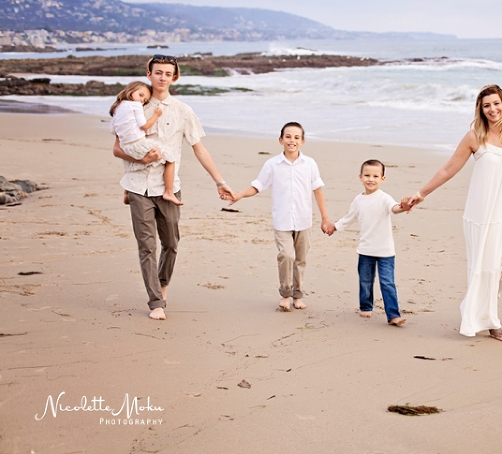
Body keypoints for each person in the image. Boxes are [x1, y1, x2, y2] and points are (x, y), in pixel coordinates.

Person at [403, 84, 502, 342]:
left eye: (496, 103)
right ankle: (493, 324)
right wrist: (421, 194)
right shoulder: (474, 136)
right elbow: (448, 169)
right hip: (482, 213)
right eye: (486, 105)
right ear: (481, 109)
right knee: (486, 268)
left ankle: (475, 305)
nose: (492, 109)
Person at [113, 55, 233, 321]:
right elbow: (117, 149)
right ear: (149, 74)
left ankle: (162, 284)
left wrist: (219, 181)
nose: (163, 77)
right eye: (158, 72)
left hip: (168, 187)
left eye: (168, 73)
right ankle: (156, 301)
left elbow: (199, 149)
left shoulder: (182, 110)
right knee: (147, 247)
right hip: (137, 186)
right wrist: (140, 159)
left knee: (171, 243)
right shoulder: (133, 106)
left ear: (175, 77)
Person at [228, 122, 333, 312]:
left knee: (300, 259)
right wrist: (239, 194)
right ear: (280, 140)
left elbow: (317, 190)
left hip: (304, 221)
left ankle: (297, 295)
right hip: (282, 220)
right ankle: (286, 294)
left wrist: (325, 218)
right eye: (288, 136)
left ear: (302, 141)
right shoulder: (272, 165)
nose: (292, 140)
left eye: (296, 137)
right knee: (286, 255)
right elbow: (258, 185)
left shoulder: (310, 164)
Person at [327, 159, 408, 326]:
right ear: (360, 177)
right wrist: (334, 227)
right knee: (365, 280)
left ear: (382, 179)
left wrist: (404, 206)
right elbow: (349, 218)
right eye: (367, 175)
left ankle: (393, 315)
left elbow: (395, 208)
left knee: (387, 283)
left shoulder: (384, 198)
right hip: (365, 250)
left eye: (376, 176)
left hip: (385, 251)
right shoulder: (358, 200)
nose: (371, 179)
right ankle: (366, 306)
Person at [109, 81, 181, 207]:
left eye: (144, 100)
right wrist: (157, 115)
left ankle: (127, 192)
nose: (141, 100)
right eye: (141, 95)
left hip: (125, 146)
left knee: (137, 164)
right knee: (170, 157)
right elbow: (144, 126)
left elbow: (113, 129)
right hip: (138, 143)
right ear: (131, 91)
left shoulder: (117, 108)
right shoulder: (135, 106)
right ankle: (169, 192)